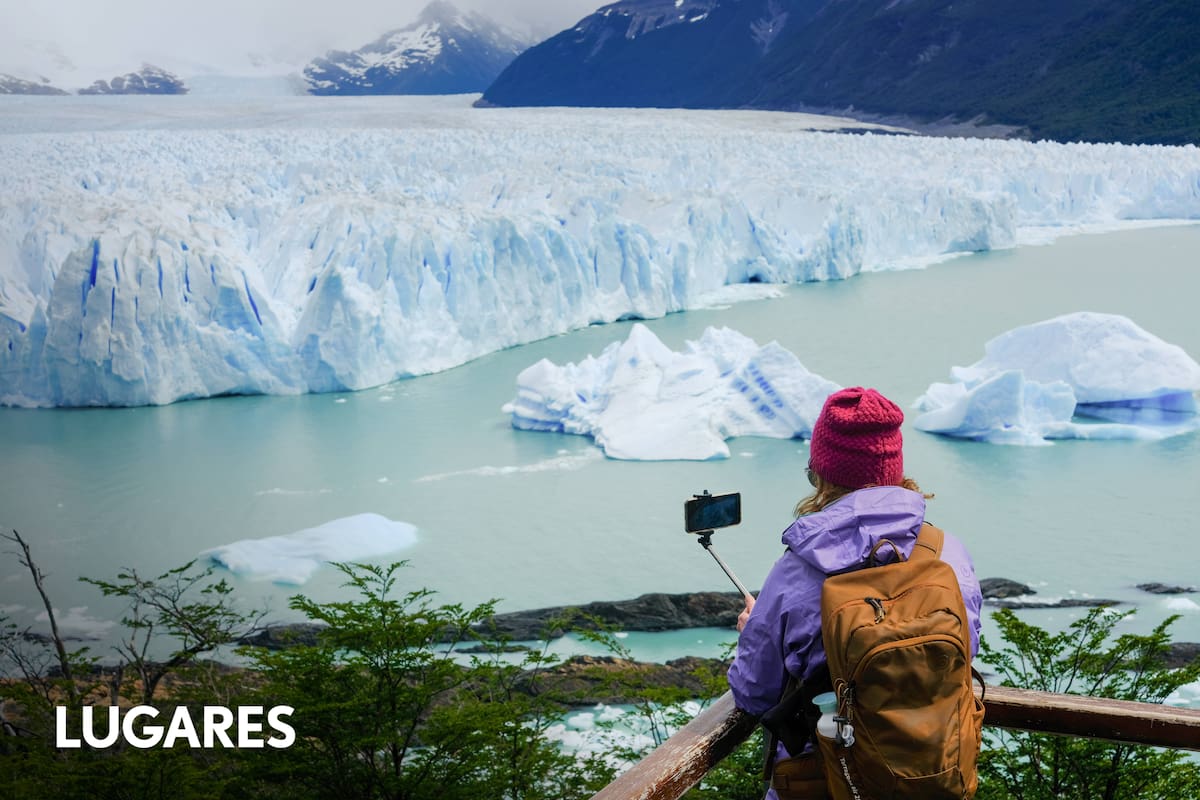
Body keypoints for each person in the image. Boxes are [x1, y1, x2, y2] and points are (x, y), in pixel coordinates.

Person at [727, 386, 983, 798]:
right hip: (936, 776)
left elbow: (755, 693)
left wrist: (752, 631)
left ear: (822, 473)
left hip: (830, 780)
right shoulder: (947, 553)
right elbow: (963, 652)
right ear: (894, 468)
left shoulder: (797, 569)